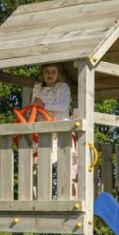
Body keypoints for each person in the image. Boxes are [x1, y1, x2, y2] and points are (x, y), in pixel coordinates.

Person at [30, 63, 75, 198]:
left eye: (53, 72)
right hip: (43, 132)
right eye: (46, 72)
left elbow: (63, 106)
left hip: (59, 131)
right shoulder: (38, 89)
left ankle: (58, 195)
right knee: (41, 164)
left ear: (58, 74)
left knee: (59, 163)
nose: (49, 74)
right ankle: (43, 196)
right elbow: (33, 108)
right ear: (42, 74)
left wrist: (44, 105)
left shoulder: (62, 87)